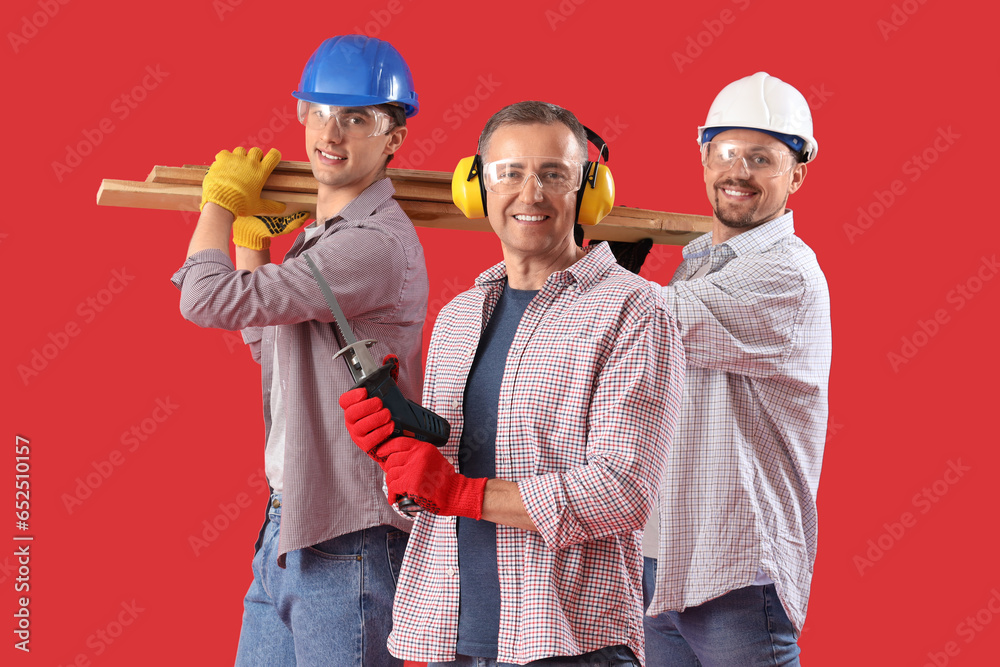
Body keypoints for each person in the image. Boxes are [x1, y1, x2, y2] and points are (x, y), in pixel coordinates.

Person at [341, 100, 685, 666]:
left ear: (585, 190)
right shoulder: (458, 316)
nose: (531, 194)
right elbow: (433, 486)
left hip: (568, 642)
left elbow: (622, 490)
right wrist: (397, 458)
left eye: (554, 174)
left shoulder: (635, 310)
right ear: (478, 187)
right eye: (510, 173)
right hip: (444, 634)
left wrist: (459, 493)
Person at [169, 35, 426, 665]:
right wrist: (254, 243)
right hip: (290, 523)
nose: (330, 133)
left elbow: (204, 300)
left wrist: (218, 205)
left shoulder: (372, 243)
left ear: (392, 139)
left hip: (351, 535)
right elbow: (269, 348)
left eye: (357, 118)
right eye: (318, 111)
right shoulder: (320, 242)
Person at [642, 72, 832, 666]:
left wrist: (558, 245)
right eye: (726, 152)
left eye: (761, 158)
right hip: (663, 555)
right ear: (703, 158)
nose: (738, 172)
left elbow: (661, 322)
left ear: (796, 174)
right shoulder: (698, 260)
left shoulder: (788, 274)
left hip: (734, 566)